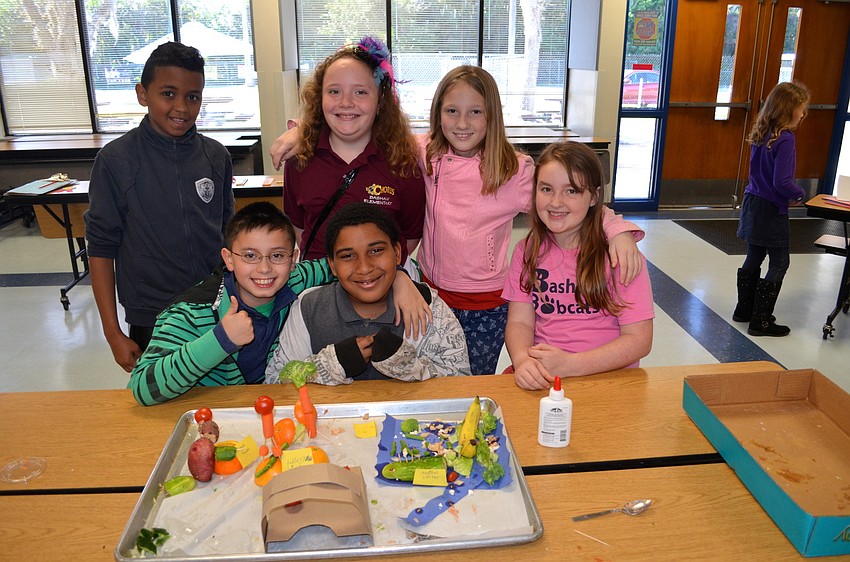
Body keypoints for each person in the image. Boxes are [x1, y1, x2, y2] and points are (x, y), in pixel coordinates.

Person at [271, 65, 645, 375]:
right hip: (431, 297)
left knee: (471, 383)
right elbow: (361, 130)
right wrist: (303, 130)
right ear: (438, 114)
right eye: (452, 111)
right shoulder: (422, 152)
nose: (462, 123)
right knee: (420, 371)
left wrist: (617, 231)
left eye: (475, 112)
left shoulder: (512, 169)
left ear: (491, 115)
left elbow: (567, 198)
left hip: (488, 306)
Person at [130, 202, 429, 405]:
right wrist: (219, 341)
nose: (264, 269)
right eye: (249, 255)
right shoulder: (193, 312)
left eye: (277, 255)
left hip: (269, 409)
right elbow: (142, 388)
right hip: (208, 416)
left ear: (293, 258)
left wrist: (401, 278)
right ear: (228, 259)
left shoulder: (296, 278)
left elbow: (353, 266)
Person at [85, 42, 234, 373]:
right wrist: (113, 334)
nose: (181, 106)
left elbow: (229, 236)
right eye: (168, 93)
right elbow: (100, 249)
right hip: (152, 315)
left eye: (192, 96)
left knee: (222, 401)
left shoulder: (216, 156)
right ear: (143, 93)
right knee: (161, 401)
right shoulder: (115, 160)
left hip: (212, 307)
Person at [502, 142, 654, 390]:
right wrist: (522, 361)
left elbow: (639, 340)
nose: (556, 202)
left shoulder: (619, 256)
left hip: (607, 380)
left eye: (571, 191)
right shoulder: (526, 251)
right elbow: (520, 322)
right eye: (546, 189)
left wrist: (571, 365)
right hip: (546, 376)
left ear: (594, 196)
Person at [265, 203, 470, 386]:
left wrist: (407, 367)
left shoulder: (428, 307)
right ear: (332, 266)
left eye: (376, 251)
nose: (364, 268)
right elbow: (276, 382)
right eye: (347, 256)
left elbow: (460, 384)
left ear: (397, 253)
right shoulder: (309, 307)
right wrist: (332, 364)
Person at [282, 36, 425, 269]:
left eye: (360, 92)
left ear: (380, 102)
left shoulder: (403, 163)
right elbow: (299, 227)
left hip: (381, 288)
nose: (346, 102)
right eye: (334, 91)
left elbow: (409, 236)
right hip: (318, 289)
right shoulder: (299, 159)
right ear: (319, 99)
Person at [733, 81, 810, 337]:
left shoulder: (761, 132)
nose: (803, 113)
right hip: (771, 208)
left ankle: (744, 310)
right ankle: (761, 320)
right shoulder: (785, 138)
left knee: (754, 255)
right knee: (780, 261)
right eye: (801, 108)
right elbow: (782, 182)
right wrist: (800, 194)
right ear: (789, 109)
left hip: (752, 201)